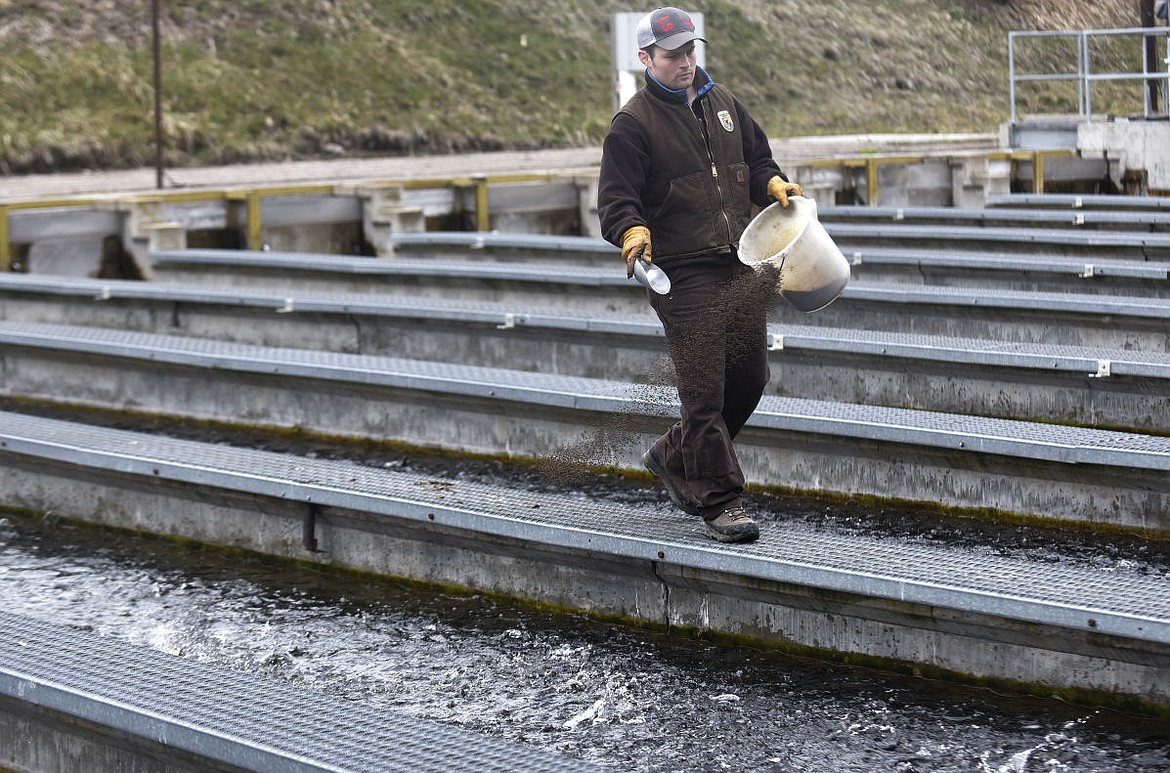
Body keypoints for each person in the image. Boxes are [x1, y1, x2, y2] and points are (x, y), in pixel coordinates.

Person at [597, 6, 802, 544]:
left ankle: (671, 454)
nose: (686, 62)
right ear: (646, 59)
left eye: (691, 50)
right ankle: (720, 501)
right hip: (682, 274)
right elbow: (617, 201)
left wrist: (775, 184)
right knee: (705, 394)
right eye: (673, 55)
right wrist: (632, 233)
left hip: (739, 263)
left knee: (748, 380)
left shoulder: (725, 104)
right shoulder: (633, 125)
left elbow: (757, 162)